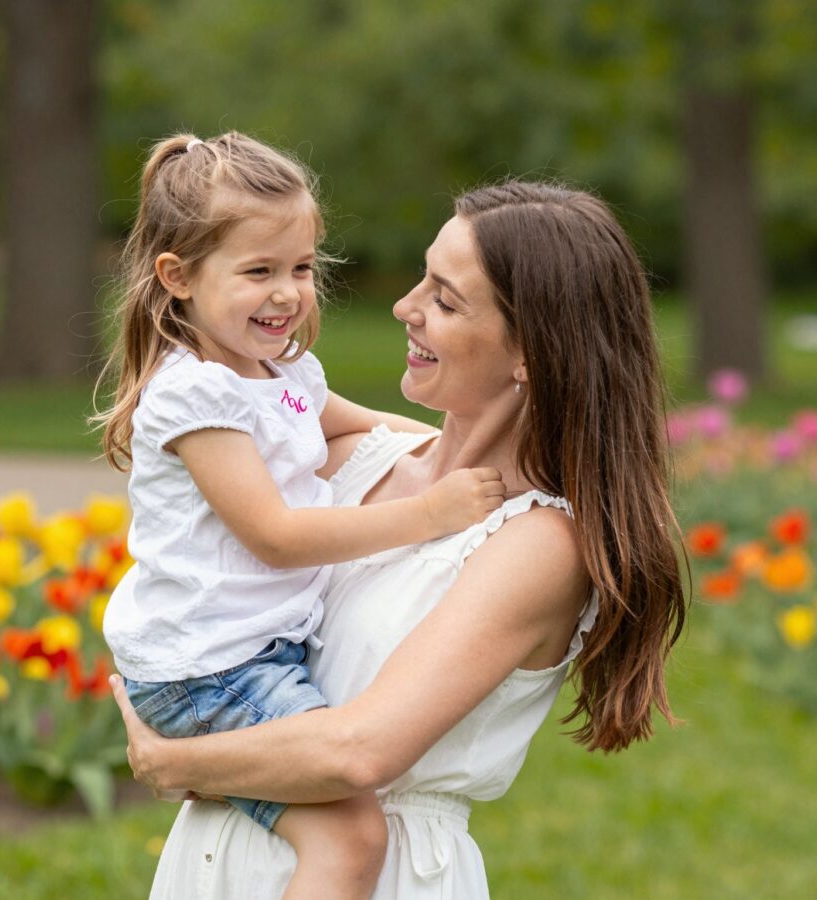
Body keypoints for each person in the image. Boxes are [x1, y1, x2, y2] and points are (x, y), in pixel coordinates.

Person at [109, 180, 688, 898]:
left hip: (379, 873)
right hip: (219, 862)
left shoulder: (539, 544)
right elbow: (234, 459)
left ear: (531, 353)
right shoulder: (363, 462)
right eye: (422, 280)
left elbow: (359, 752)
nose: (404, 308)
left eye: (444, 300)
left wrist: (172, 763)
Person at [93, 132, 508, 900]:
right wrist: (429, 511)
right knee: (351, 835)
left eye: (301, 268)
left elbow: (375, 428)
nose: (287, 293)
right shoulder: (195, 396)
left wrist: (487, 449)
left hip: (250, 654)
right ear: (177, 277)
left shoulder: (280, 375)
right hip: (208, 669)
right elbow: (276, 538)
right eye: (258, 271)